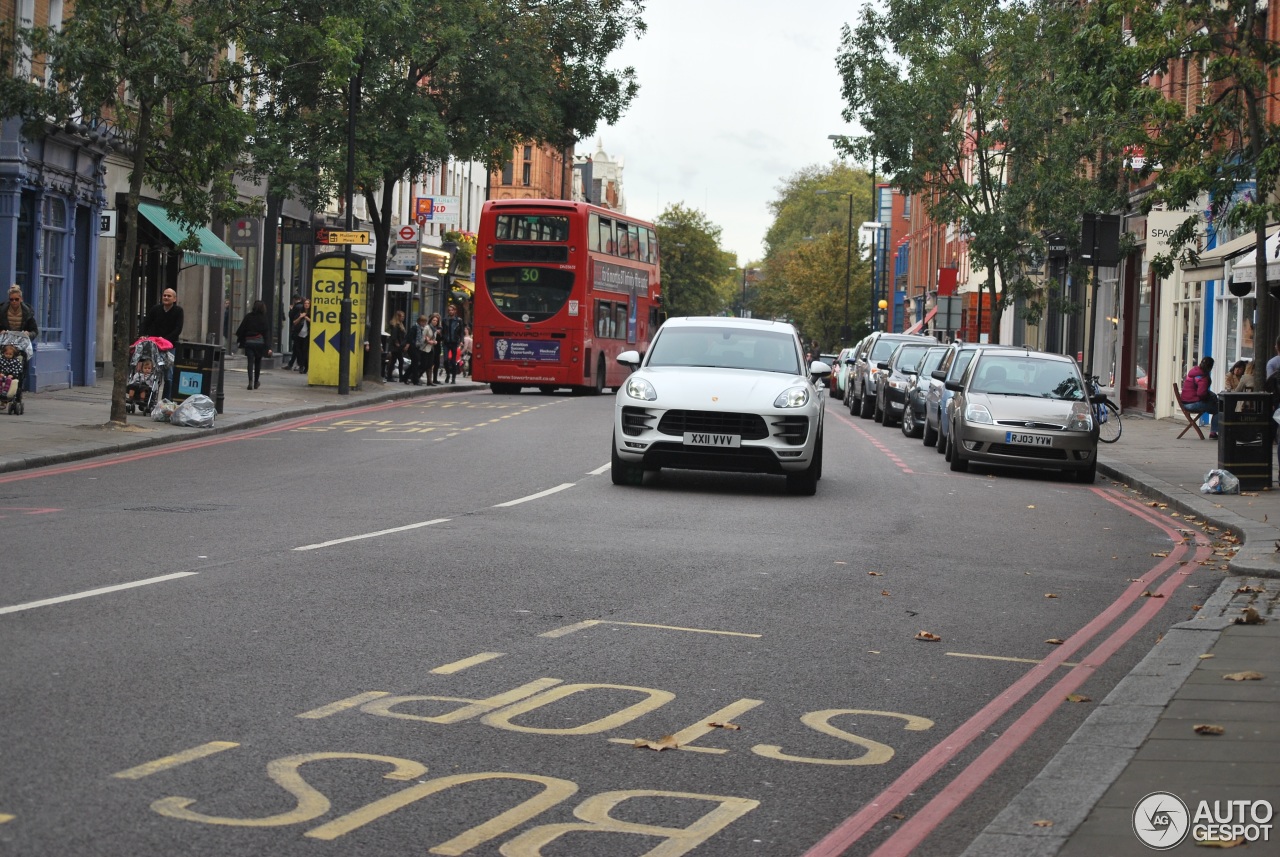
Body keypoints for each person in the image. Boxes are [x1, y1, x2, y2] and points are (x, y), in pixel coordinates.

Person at [1180, 356, 1220, 438]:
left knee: (1213, 397)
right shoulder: (1203, 377)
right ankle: (1213, 432)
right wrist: (1210, 399)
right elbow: (1201, 394)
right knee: (1219, 410)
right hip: (1193, 404)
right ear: (1210, 367)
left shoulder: (1193, 372)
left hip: (1185, 402)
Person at [235, 300, 271, 390]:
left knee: (250, 362)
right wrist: (268, 347)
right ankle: (256, 382)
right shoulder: (264, 318)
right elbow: (266, 334)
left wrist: (241, 339)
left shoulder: (248, 317)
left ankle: (250, 380)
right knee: (258, 362)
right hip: (259, 343)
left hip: (249, 342)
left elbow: (241, 330)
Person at [439, 303, 464, 384]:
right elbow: (442, 330)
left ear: (455, 311)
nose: (450, 312)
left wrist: (461, 341)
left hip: (454, 342)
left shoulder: (459, 320)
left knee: (453, 361)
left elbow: (461, 332)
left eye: (452, 310)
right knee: (445, 360)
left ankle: (453, 378)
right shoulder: (445, 320)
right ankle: (448, 374)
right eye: (449, 310)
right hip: (446, 342)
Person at [385, 310, 408, 381]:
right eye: (402, 316)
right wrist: (397, 343)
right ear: (398, 317)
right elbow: (394, 336)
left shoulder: (400, 325)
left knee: (396, 361)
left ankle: (395, 376)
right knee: (397, 360)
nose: (403, 318)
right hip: (396, 347)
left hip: (398, 346)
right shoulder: (395, 326)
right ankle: (392, 376)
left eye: (403, 316)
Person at [407, 314, 429, 385]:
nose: (424, 324)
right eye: (423, 322)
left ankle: (405, 377)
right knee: (415, 364)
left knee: (414, 364)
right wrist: (415, 344)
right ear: (420, 321)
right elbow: (410, 338)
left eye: (425, 322)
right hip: (413, 348)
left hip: (418, 348)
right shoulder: (415, 328)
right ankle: (415, 380)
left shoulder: (421, 329)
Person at [284, 295, 304, 369]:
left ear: (294, 300)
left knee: (297, 348)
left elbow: (292, 316)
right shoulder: (302, 307)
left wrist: (291, 310)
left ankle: (299, 364)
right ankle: (292, 363)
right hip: (301, 329)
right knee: (296, 348)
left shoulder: (296, 307)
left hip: (297, 329)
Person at [292, 298, 311, 373]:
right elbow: (294, 322)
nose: (306, 305)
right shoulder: (300, 312)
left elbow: (314, 323)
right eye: (305, 303)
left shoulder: (311, 313)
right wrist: (300, 317)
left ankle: (305, 366)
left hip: (307, 334)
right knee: (298, 351)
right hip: (299, 334)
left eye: (308, 303)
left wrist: (307, 318)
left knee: (305, 351)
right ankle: (301, 366)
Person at [424, 311, 441, 385]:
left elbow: (435, 338)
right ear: (431, 320)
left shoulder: (435, 329)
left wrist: (435, 342)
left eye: (437, 321)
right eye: (434, 320)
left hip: (432, 348)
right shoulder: (427, 327)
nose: (435, 322)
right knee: (424, 364)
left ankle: (429, 381)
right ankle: (413, 377)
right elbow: (423, 336)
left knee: (430, 364)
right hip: (424, 348)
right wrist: (427, 340)